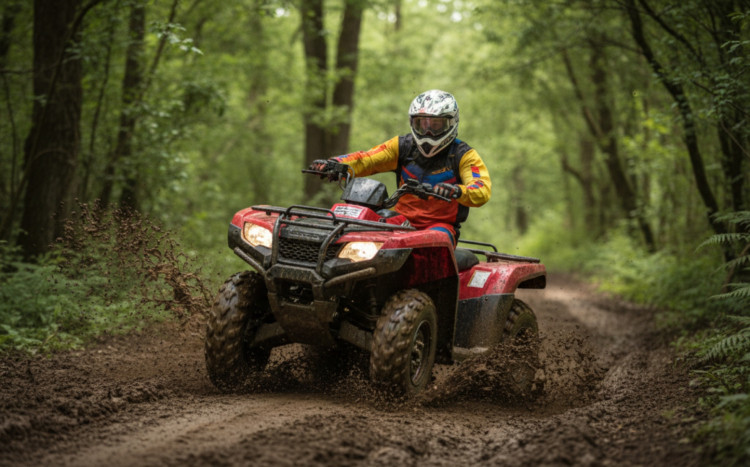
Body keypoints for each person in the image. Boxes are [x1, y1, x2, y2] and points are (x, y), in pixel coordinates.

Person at [310, 89, 491, 246]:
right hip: (402, 221)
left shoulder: (463, 155)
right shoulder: (403, 146)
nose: (428, 131)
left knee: (432, 241)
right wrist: (336, 164)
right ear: (413, 123)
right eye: (422, 124)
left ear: (451, 123)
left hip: (440, 227)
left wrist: (457, 191)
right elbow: (367, 159)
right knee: (364, 229)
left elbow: (481, 189)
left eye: (435, 125)